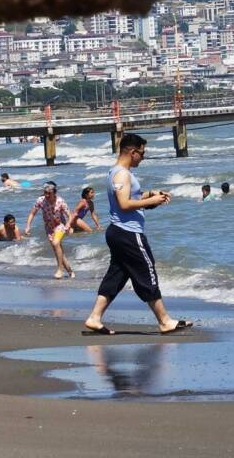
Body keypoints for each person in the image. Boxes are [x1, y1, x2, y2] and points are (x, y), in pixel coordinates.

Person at [84, 133, 191, 336]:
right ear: (132, 152)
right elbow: (124, 204)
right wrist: (150, 202)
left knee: (117, 275)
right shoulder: (122, 174)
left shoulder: (115, 172)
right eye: (142, 153)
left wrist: (150, 195)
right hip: (128, 233)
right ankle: (165, 321)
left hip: (118, 232)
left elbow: (127, 198)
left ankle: (94, 318)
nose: (143, 157)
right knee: (147, 271)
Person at [24, 181, 75, 279]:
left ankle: (60, 270)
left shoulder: (60, 201)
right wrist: (28, 226)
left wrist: (68, 225)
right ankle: (70, 271)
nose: (46, 195)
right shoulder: (40, 200)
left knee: (56, 244)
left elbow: (70, 215)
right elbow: (32, 213)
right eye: (45, 192)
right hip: (49, 228)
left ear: (54, 192)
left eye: (49, 193)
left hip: (60, 226)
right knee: (58, 250)